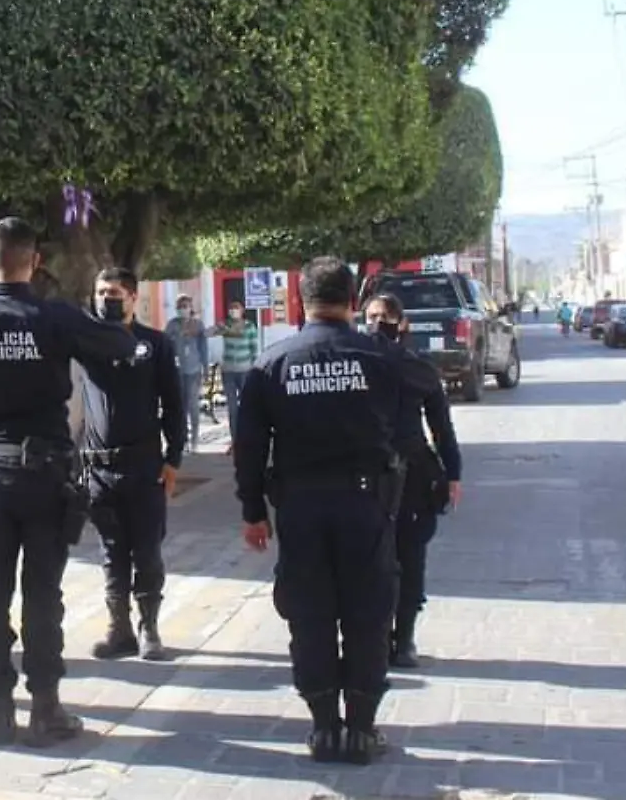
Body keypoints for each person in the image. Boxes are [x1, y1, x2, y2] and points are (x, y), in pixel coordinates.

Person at [0, 218, 137, 747]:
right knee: (42, 593)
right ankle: (44, 709)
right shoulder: (51, 317)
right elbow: (117, 345)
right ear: (35, 261)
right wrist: (110, 312)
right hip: (45, 474)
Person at [233, 256, 441, 766]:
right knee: (369, 613)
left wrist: (252, 511)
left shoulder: (272, 363)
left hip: (300, 508)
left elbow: (250, 446)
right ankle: (362, 728)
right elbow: (429, 384)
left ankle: (325, 726)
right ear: (353, 302)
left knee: (310, 613)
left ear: (301, 302)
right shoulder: (380, 357)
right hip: (366, 504)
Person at [76, 267, 185, 662]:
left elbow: (174, 405)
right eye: (101, 292)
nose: (107, 298)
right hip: (100, 471)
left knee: (148, 551)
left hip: (144, 467)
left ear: (133, 297)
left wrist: (173, 459)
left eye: (115, 292)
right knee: (111, 552)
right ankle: (117, 627)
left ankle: (149, 626)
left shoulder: (154, 344)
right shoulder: (88, 344)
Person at [362, 294, 463, 670]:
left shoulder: (418, 368)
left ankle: (403, 640)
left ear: (402, 323)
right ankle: (374, 637)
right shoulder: (358, 364)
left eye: (384, 316)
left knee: (410, 560)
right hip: (369, 476)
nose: (377, 323)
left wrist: (453, 473)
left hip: (414, 475)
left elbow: (442, 427)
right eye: (371, 316)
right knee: (373, 562)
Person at [163, 295, 209, 451]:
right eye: (180, 306)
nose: (183, 309)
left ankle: (195, 440)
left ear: (191, 308)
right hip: (176, 371)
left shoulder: (198, 325)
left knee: (192, 405)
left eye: (186, 306)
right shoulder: (172, 325)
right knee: (179, 407)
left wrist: (206, 368)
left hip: (194, 370)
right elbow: (165, 344)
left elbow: (204, 347)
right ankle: (182, 439)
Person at [216, 301, 261, 438]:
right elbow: (207, 333)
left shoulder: (249, 327)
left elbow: (254, 350)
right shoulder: (225, 325)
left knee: (247, 405)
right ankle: (234, 439)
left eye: (236, 308)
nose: (233, 311)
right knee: (232, 407)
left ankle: (248, 436)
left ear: (242, 311)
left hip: (245, 370)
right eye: (231, 308)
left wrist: (256, 370)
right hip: (228, 371)